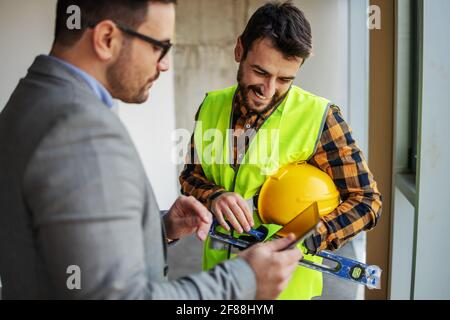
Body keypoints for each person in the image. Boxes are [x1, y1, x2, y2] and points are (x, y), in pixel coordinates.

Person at [0, 0, 302, 300]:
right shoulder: (81, 131)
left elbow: (64, 248)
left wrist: (157, 229)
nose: (165, 63)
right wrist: (244, 279)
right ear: (107, 39)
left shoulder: (28, 99)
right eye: (160, 46)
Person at [179, 1, 383, 300]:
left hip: (285, 292)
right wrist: (215, 196)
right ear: (239, 50)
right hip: (221, 285)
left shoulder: (321, 118)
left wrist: (305, 240)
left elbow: (367, 202)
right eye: (260, 72)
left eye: (285, 79)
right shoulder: (211, 105)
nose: (269, 89)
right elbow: (190, 176)